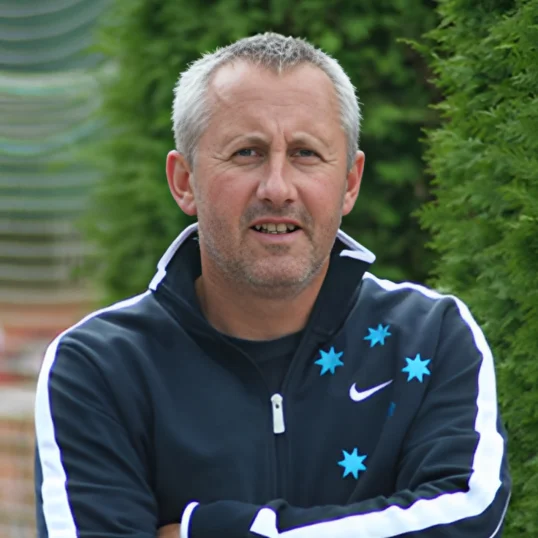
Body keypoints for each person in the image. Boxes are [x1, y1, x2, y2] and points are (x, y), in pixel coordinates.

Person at [34, 32, 511, 538]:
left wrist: (211, 531)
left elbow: (467, 517)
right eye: (247, 152)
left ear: (350, 183)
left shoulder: (432, 338)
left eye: (305, 153)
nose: (278, 188)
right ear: (184, 182)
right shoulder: (98, 367)